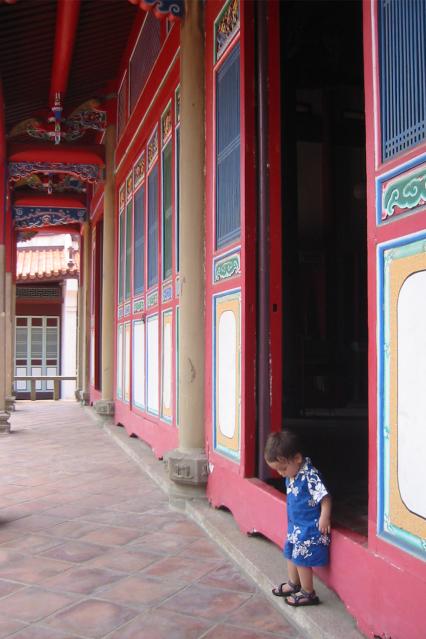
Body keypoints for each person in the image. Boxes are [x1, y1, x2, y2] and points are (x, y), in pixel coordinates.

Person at [264, 430, 331, 606]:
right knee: (290, 553)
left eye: (283, 468)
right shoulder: (292, 473)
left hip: (309, 527)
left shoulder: (310, 476)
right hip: (295, 525)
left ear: (297, 458)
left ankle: (308, 592)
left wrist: (324, 517)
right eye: (277, 470)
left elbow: (324, 497)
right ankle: (294, 583)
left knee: (301, 559)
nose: (281, 473)